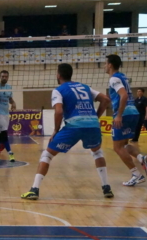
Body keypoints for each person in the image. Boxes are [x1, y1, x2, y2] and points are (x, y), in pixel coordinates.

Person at [21, 63, 113, 200]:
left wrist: (56, 131)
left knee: (47, 155)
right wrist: (95, 117)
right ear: (71, 74)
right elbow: (105, 99)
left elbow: (58, 111)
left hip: (73, 126)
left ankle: (34, 189)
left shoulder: (59, 90)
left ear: (58, 75)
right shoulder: (85, 87)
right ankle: (106, 187)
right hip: (92, 126)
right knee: (97, 152)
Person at [105, 54, 147, 186]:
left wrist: (118, 115)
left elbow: (123, 95)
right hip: (133, 112)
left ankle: (136, 174)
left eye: (105, 63)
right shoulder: (123, 76)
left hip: (124, 114)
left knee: (117, 148)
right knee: (124, 145)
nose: (104, 66)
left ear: (110, 65)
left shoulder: (114, 79)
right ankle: (143, 158)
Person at [0, 70, 16, 162]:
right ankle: (10, 152)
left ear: (8, 77)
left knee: (2, 134)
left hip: (6, 113)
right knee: (4, 132)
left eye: (6, 76)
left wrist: (13, 103)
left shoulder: (9, 87)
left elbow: (9, 98)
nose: (4, 78)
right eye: (3, 76)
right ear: (0, 77)